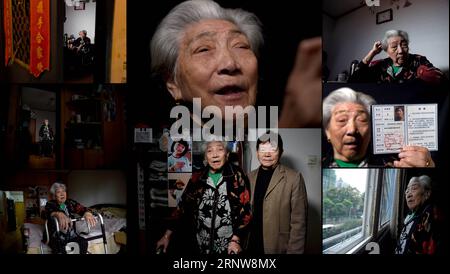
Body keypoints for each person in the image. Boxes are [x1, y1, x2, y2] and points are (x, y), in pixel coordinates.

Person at [150, 0, 322, 127]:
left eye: (240, 46)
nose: (230, 63)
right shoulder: (172, 153)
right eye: (204, 50)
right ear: (173, 83)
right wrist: (292, 126)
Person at [156, 141, 251, 254]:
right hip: (201, 245)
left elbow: (245, 210)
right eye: (210, 150)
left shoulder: (237, 175)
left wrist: (236, 239)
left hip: (230, 246)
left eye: (219, 149)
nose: (215, 154)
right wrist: (167, 235)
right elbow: (182, 207)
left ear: (227, 154)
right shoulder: (197, 178)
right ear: (206, 156)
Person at [322, 87, 435, 167]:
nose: (352, 129)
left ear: (372, 131)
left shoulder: (394, 165)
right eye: (342, 120)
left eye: (361, 120)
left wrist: (428, 165)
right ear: (327, 131)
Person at [247, 131, 307, 254]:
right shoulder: (249, 177)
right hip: (250, 244)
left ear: (281, 152)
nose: (267, 154)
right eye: (263, 149)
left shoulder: (294, 178)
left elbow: (299, 222)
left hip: (277, 246)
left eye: (273, 149)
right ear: (257, 152)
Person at [349, 30, 444, 84]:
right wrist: (372, 53)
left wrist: (427, 74)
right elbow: (353, 80)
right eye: (394, 47)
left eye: (404, 45)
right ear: (387, 51)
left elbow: (441, 79)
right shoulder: (380, 65)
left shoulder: (418, 60)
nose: (401, 51)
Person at [44, 182, 96, 254]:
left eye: (63, 191)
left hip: (71, 235)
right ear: (54, 196)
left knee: (83, 242)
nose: (62, 194)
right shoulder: (50, 204)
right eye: (58, 192)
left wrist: (87, 213)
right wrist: (57, 214)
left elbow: (83, 209)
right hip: (56, 237)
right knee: (64, 249)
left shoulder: (70, 202)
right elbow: (46, 213)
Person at [395, 175, 443, 254]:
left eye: (414, 189)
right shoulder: (412, 213)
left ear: (427, 193)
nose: (408, 194)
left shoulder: (429, 215)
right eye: (407, 190)